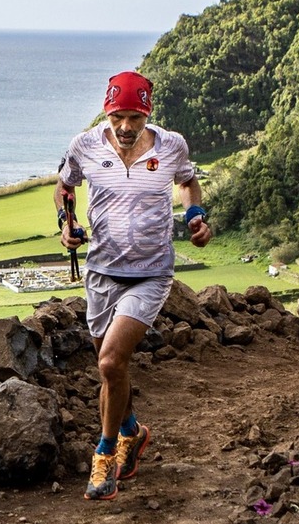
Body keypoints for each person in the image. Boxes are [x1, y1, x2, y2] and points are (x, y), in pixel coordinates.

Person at [54, 70, 212, 501]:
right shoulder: (84, 145)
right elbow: (65, 187)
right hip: (102, 272)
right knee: (113, 369)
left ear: (148, 114)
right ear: (107, 112)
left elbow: (187, 182)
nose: (125, 127)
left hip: (150, 272)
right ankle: (132, 431)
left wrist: (195, 215)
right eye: (117, 117)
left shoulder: (171, 145)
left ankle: (105, 455)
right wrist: (66, 224)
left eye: (134, 118)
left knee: (108, 364)